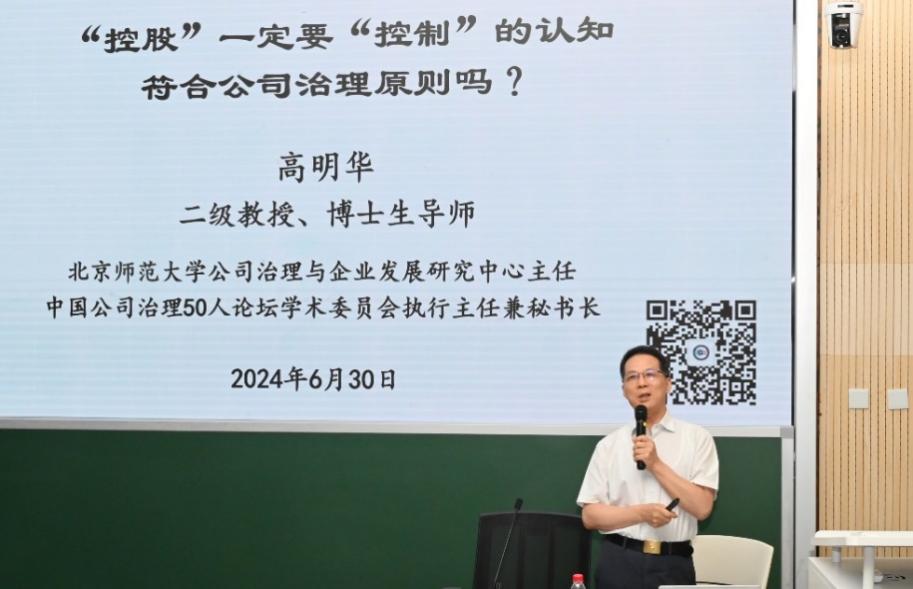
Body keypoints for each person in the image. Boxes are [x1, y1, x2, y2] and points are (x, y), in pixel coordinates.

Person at [576, 345, 719, 589]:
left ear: (669, 383)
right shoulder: (609, 445)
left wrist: (655, 464)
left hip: (674, 563)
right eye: (632, 377)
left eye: (650, 374)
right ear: (624, 390)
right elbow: (590, 516)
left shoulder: (697, 438)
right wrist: (641, 514)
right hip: (619, 562)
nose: (642, 383)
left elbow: (702, 507)